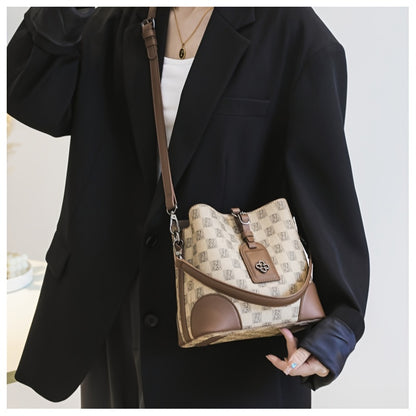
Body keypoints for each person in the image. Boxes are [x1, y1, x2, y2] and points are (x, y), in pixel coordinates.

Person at [7, 7, 370, 409]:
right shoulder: (114, 20)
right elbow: (35, 99)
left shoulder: (294, 34)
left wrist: (337, 329)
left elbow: (326, 191)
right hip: (120, 326)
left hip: (237, 328)